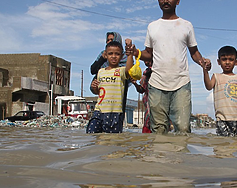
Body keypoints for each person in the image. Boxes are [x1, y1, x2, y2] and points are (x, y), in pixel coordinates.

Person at [126, 0, 211, 134]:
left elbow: (194, 52)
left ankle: (180, 155)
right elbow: (149, 54)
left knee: (183, 129)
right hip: (156, 85)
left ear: (177, 1)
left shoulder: (186, 25)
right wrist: (136, 52)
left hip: (181, 84)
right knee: (159, 131)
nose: (165, 1)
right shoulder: (152, 26)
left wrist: (203, 62)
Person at [86, 40, 134, 133]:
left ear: (121, 56)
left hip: (114, 112)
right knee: (91, 133)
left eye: (117, 54)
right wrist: (95, 87)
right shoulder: (101, 71)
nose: (113, 56)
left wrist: (130, 53)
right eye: (110, 53)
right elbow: (98, 92)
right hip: (99, 110)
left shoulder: (121, 71)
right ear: (105, 55)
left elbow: (129, 69)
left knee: (112, 139)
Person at [202, 46, 237, 137]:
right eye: (224, 59)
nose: (227, 62)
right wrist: (205, 71)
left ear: (236, 62)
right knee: (223, 144)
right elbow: (208, 86)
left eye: (231, 59)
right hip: (222, 118)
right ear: (219, 62)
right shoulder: (216, 76)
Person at [131, 60, 153, 133]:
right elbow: (141, 89)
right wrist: (135, 84)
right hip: (149, 110)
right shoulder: (146, 73)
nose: (146, 62)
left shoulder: (162, 71)